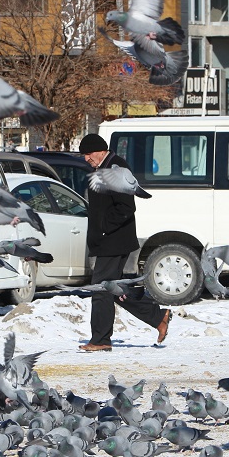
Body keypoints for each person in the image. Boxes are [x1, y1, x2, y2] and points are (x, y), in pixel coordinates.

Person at [78, 133, 171, 352]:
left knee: (101, 288)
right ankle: (157, 316)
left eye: (88, 154)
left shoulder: (116, 168)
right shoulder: (103, 168)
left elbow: (126, 208)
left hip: (114, 240)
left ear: (101, 151)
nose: (86, 159)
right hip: (109, 240)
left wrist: (103, 229)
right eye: (84, 155)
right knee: (113, 289)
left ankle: (101, 339)